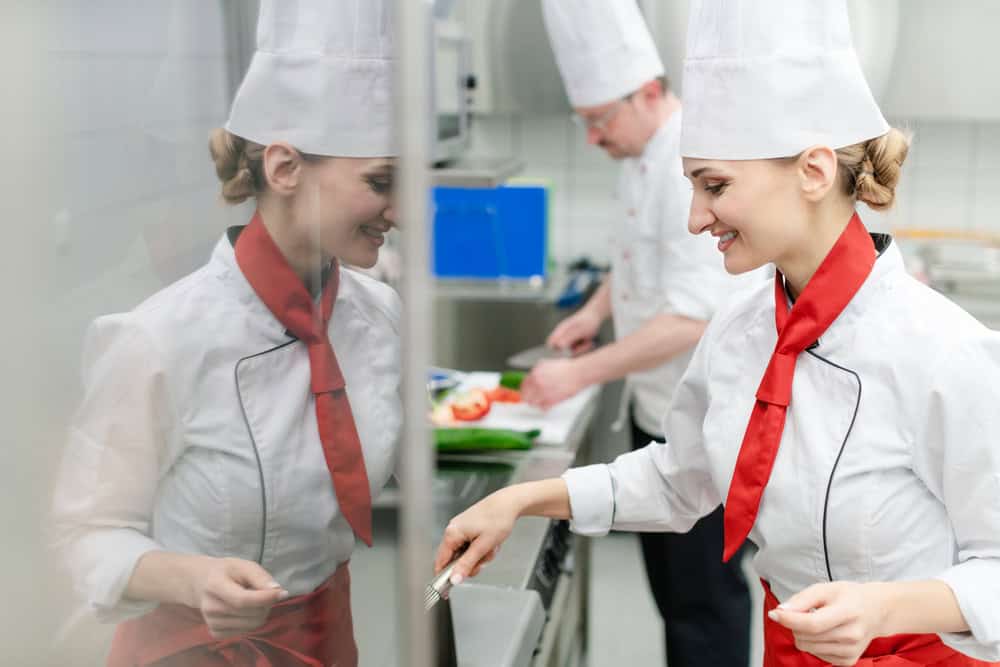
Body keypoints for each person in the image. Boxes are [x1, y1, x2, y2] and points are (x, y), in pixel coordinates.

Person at [435, 0, 1000, 665]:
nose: (696, 218)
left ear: (814, 172)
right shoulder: (740, 330)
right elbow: (679, 480)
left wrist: (884, 607)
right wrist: (525, 498)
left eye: (715, 185)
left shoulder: (944, 352)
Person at [51, 1, 400, 664]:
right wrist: (193, 576)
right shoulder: (157, 339)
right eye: (380, 181)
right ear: (285, 168)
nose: (401, 210)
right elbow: (85, 534)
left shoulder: (379, 316)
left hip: (330, 641)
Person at [526, 2, 755, 663]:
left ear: (648, 91)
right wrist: (593, 313)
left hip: (700, 418)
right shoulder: (637, 159)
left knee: (703, 600)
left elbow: (689, 315)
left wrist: (578, 372)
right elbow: (633, 262)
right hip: (654, 408)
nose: (595, 137)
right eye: (586, 123)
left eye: (601, 120)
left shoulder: (687, 163)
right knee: (676, 593)